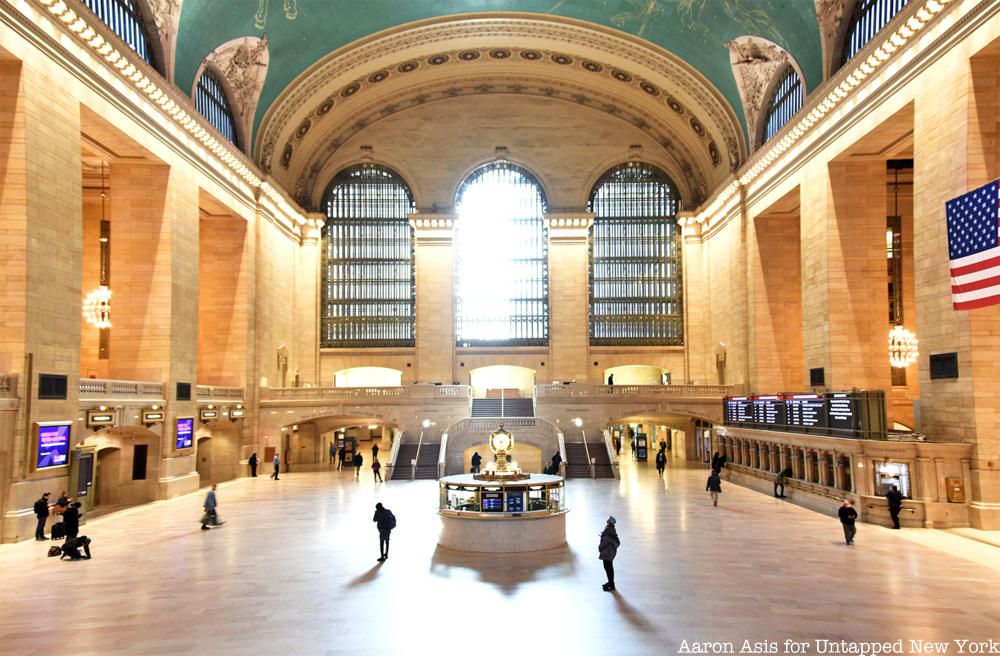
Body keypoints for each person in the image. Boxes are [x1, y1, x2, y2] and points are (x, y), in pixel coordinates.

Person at [598, 516, 620, 592]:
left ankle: (611, 584)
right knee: (609, 567)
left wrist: (600, 547)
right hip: (610, 552)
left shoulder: (608, 530)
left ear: (609, 522)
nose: (607, 520)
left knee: (608, 567)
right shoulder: (612, 530)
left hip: (607, 552)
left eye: (608, 520)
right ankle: (611, 582)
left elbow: (605, 540)